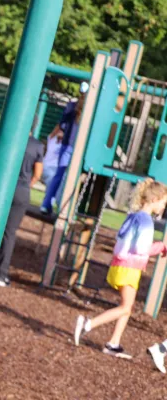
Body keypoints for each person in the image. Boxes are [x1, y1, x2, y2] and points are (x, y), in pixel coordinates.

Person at [74, 179, 167, 359]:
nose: (164, 206)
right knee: (125, 307)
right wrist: (161, 247)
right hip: (129, 268)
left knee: (127, 307)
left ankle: (113, 343)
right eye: (163, 202)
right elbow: (141, 249)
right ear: (154, 199)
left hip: (119, 265)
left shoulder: (133, 216)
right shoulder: (146, 222)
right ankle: (88, 324)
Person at [0, 131, 44, 287]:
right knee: (9, 232)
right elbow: (38, 174)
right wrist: (27, 185)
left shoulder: (11, 136)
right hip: (21, 190)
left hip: (3, 187)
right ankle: (2, 274)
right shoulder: (37, 145)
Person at [41, 82, 89, 214]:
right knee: (74, 178)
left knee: (59, 175)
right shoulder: (91, 109)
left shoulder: (72, 106)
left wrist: (65, 131)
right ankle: (67, 209)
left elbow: (62, 125)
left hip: (67, 144)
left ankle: (46, 204)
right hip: (80, 147)